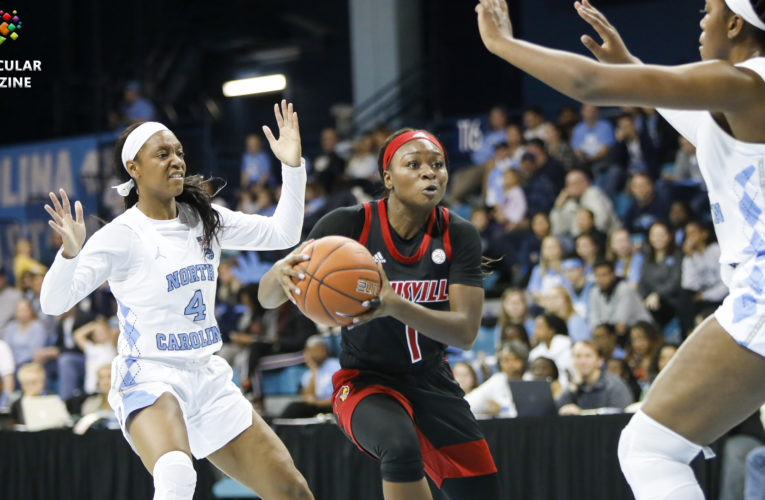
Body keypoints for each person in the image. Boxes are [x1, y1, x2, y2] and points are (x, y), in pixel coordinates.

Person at [476, 0, 765, 497]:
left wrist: (503, 44)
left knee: (650, 448)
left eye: (710, 10)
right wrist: (630, 66)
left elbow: (588, 86)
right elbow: (696, 124)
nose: (701, 19)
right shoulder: (741, 100)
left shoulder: (746, 83)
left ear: (736, 22)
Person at [39, 100, 313, 500]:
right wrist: (69, 255)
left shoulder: (206, 219)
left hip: (208, 377)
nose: (177, 161)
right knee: (176, 474)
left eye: (180, 153)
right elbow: (53, 301)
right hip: (149, 374)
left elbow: (284, 233)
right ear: (134, 168)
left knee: (293, 491)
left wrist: (292, 166)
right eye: (162, 154)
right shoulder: (123, 234)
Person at [259, 127, 499, 499]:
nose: (429, 172)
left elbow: (465, 333)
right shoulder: (349, 224)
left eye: (438, 165)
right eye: (414, 164)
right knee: (399, 447)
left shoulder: (459, 234)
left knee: (482, 491)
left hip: (432, 379)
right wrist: (278, 273)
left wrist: (394, 305)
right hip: (365, 380)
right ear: (387, 177)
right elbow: (267, 298)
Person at [556, 340, 634, 416]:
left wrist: (581, 414)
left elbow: (622, 417)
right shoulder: (574, 385)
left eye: (588, 356)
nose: (582, 362)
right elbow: (554, 411)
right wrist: (574, 385)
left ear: (599, 361)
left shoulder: (615, 386)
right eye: (577, 356)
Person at [279, 335, 341, 419]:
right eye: (311, 351)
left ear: (325, 349)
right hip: (318, 406)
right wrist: (313, 369)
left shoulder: (336, 365)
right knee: (293, 408)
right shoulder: (308, 374)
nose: (314, 354)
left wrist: (317, 402)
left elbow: (342, 394)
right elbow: (308, 397)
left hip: (335, 405)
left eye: (317, 350)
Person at [465, 341, 529, 418]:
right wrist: (486, 408)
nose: (510, 364)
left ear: (523, 361)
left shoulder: (530, 379)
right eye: (505, 360)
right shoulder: (497, 380)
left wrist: (501, 410)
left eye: (515, 359)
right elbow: (469, 403)